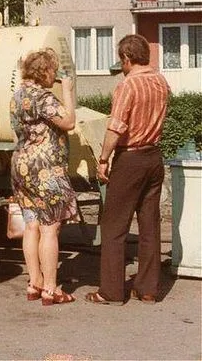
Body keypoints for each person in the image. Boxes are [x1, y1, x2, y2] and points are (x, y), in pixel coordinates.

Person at [85, 34, 170, 305]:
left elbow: (116, 127)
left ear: (127, 58)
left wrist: (103, 159)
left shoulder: (128, 85)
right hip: (154, 156)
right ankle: (148, 289)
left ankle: (110, 291)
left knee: (114, 225)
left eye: (121, 60)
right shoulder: (160, 81)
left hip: (130, 158)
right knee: (150, 225)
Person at [10, 48, 78, 306]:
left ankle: (34, 282)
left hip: (21, 165)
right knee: (50, 228)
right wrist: (68, 92)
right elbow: (68, 122)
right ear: (45, 71)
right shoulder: (43, 97)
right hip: (45, 168)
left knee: (31, 225)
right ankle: (50, 288)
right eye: (53, 70)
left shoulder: (17, 96)